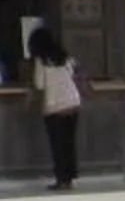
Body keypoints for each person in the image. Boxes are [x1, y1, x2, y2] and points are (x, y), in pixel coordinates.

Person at [25, 25, 84, 191]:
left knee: (58, 145)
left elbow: (39, 84)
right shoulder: (64, 57)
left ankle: (61, 179)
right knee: (69, 144)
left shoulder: (41, 61)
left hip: (54, 105)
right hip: (72, 102)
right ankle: (69, 179)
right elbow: (76, 72)